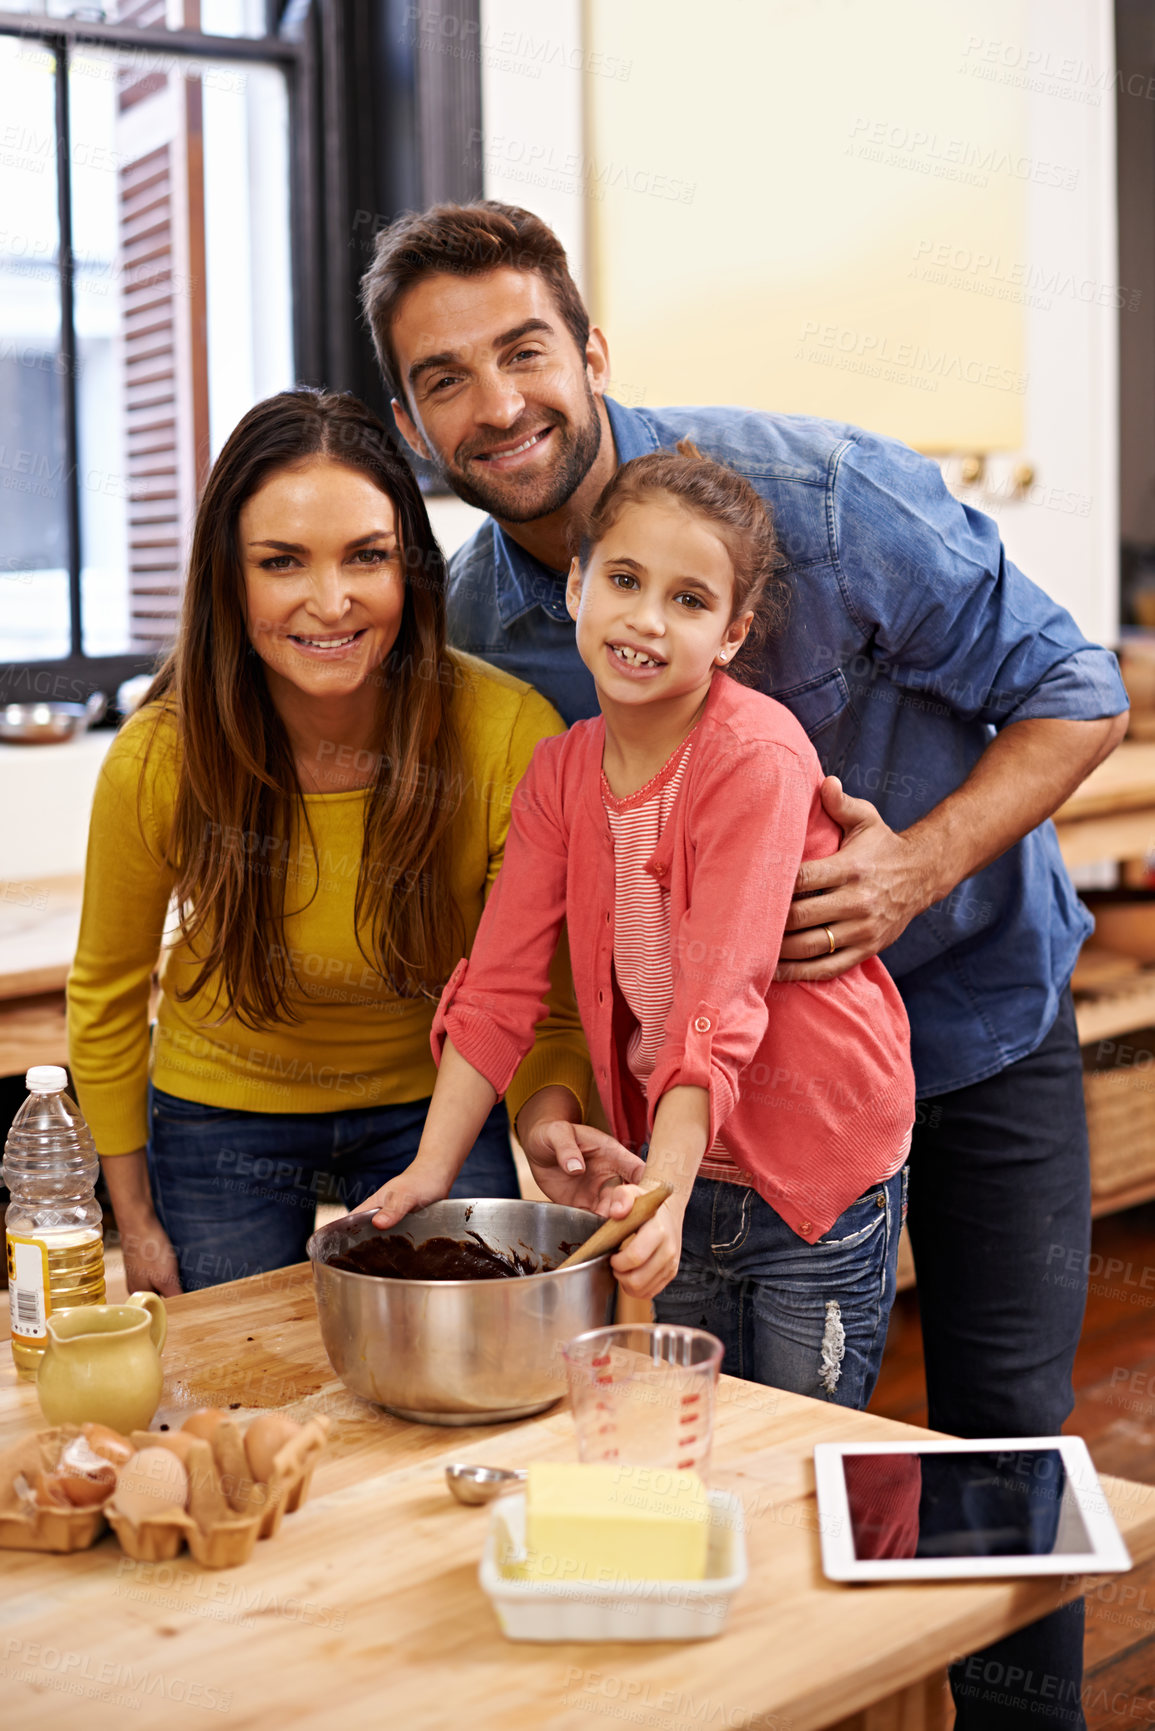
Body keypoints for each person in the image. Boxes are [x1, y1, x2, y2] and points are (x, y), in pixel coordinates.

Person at [360, 202, 1130, 1727]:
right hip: (701, 1141)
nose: (497, 401)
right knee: (730, 1444)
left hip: (966, 1020)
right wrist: (549, 1094)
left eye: (523, 349)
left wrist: (912, 861)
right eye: (445, 377)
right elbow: (525, 930)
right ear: (410, 419)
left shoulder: (822, 499)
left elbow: (1075, 686)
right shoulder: (468, 630)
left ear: (589, 348)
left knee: (991, 1440)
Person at [365, 444, 915, 1407]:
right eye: (623, 579)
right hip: (667, 1175)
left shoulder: (754, 756)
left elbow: (717, 997)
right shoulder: (558, 775)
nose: (647, 621)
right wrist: (428, 1171)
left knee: (798, 1457)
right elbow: (497, 988)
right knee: (682, 1444)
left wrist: (661, 1189)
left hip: (808, 1174)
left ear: (733, 633)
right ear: (576, 583)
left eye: (690, 600)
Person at [66, 389, 639, 1296]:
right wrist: (133, 1224)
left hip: (436, 1107)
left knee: (453, 1375)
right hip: (221, 1116)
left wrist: (543, 1123)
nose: (328, 603)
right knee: (239, 1389)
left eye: (366, 557)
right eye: (281, 561)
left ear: (410, 568)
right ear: (229, 575)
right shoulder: (159, 756)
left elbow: (543, 999)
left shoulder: (506, 734)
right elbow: (102, 996)